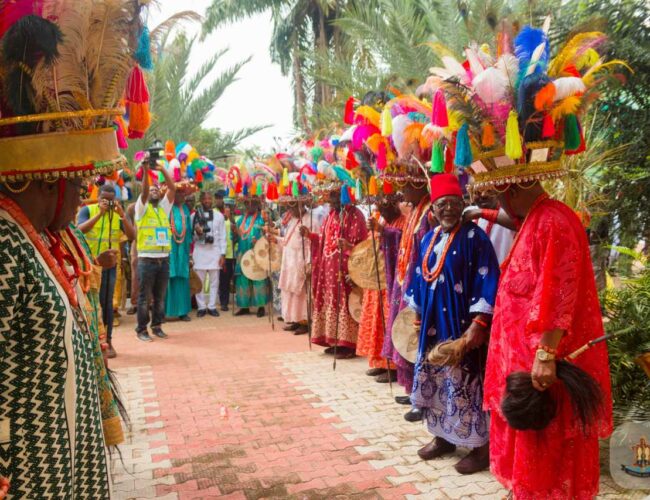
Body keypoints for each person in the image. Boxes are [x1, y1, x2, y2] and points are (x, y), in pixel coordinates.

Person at [484, 181, 613, 498]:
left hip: (542, 370)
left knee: (548, 451)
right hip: (524, 365)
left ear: (512, 192)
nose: (500, 205)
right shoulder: (535, 217)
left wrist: (545, 355)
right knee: (531, 448)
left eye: (499, 197)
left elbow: (558, 292)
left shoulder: (553, 221)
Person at [405, 174, 500, 474]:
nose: (448, 210)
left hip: (461, 328)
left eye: (454, 204)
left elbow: (489, 279)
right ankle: (443, 438)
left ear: (463, 205)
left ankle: (479, 447)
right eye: (442, 204)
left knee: (465, 383)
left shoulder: (475, 238)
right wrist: (417, 316)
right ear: (432, 209)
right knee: (436, 380)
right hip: (433, 327)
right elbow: (418, 279)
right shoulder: (427, 238)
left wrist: (479, 324)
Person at [379, 178, 433, 422]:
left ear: (421, 185)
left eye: (408, 186)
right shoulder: (416, 210)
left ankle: (423, 399)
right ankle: (413, 391)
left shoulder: (429, 211)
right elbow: (404, 241)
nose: (403, 191)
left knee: (418, 341)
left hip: (420, 281)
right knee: (407, 338)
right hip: (407, 279)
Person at [302, 187, 368, 358]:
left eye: (335, 196)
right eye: (329, 197)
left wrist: (348, 247)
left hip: (346, 269)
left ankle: (349, 345)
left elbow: (364, 247)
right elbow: (324, 241)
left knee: (346, 302)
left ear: (344, 195)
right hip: (328, 269)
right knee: (330, 301)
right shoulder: (330, 215)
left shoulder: (356, 215)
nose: (331, 201)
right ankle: (334, 340)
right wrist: (310, 236)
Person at [77, 183, 135, 358]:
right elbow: (79, 231)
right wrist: (100, 213)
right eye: (104, 200)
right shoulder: (88, 210)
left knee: (107, 304)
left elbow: (132, 236)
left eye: (111, 201)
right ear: (99, 196)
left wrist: (122, 215)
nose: (107, 203)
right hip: (90, 266)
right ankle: (92, 341)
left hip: (109, 267)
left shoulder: (118, 216)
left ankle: (108, 341)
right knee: (92, 304)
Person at [357, 197, 406, 375]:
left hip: (392, 280)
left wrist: (383, 231)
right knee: (376, 320)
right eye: (380, 208)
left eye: (386, 207)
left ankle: (392, 366)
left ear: (395, 205)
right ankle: (379, 360)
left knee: (388, 320)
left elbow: (403, 242)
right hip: (376, 278)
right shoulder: (381, 219)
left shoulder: (404, 221)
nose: (382, 211)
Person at [134, 161, 176, 342]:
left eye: (157, 189)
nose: (154, 191)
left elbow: (172, 188)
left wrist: (162, 170)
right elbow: (144, 192)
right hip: (146, 260)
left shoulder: (163, 209)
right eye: (152, 190)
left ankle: (157, 326)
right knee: (144, 299)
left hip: (163, 260)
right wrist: (145, 171)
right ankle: (141, 330)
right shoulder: (141, 209)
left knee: (160, 297)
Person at [268, 200, 314, 335]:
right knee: (290, 293)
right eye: (288, 208)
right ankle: (295, 320)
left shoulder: (310, 219)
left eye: (292, 207)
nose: (290, 211)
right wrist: (276, 239)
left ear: (300, 206)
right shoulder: (292, 220)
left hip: (302, 261)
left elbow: (312, 243)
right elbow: (287, 241)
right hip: (289, 262)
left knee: (302, 293)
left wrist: (310, 263)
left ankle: (305, 322)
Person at [192, 191, 227, 317]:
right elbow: (191, 237)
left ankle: (212, 306)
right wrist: (198, 233)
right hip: (200, 252)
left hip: (215, 252)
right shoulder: (194, 216)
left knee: (214, 281)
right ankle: (201, 307)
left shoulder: (219, 216)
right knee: (199, 282)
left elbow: (223, 236)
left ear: (211, 200)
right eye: (204, 199)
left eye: (209, 198)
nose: (207, 201)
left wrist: (223, 254)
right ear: (201, 200)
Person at [234, 196, 269, 317]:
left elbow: (268, 235)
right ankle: (244, 307)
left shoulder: (262, 219)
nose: (250, 206)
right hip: (242, 253)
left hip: (257, 254)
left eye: (253, 203)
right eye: (247, 203)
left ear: (257, 204)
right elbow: (235, 237)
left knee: (258, 278)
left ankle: (260, 307)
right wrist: (234, 232)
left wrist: (259, 241)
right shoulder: (239, 220)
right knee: (242, 280)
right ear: (244, 205)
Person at [462, 191, 516, 264]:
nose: (484, 195)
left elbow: (517, 223)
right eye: (477, 192)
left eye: (489, 190)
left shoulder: (508, 211)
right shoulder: (468, 212)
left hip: (505, 272)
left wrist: (482, 213)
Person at [165, 187, 194, 321]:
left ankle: (183, 312)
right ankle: (163, 312)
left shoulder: (186, 210)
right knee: (167, 279)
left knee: (182, 277)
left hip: (182, 250)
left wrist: (189, 255)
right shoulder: (165, 208)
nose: (182, 196)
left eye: (183, 193)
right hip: (169, 249)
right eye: (179, 193)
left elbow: (188, 232)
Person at [219, 202, 238, 311]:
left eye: (229, 207)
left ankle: (231, 300)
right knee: (224, 280)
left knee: (232, 278)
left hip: (233, 254)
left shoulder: (234, 220)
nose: (227, 209)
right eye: (225, 207)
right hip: (224, 254)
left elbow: (236, 236)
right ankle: (224, 302)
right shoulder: (221, 219)